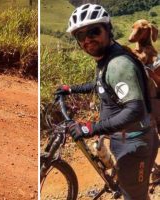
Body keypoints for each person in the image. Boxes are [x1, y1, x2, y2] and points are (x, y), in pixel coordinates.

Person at [56, 3, 159, 200]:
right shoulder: (107, 58)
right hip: (125, 139)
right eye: (80, 36)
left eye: (94, 31)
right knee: (128, 185)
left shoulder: (118, 64)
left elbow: (135, 110)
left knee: (135, 196)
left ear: (108, 29)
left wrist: (90, 128)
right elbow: (101, 84)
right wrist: (70, 89)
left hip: (135, 143)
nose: (87, 39)